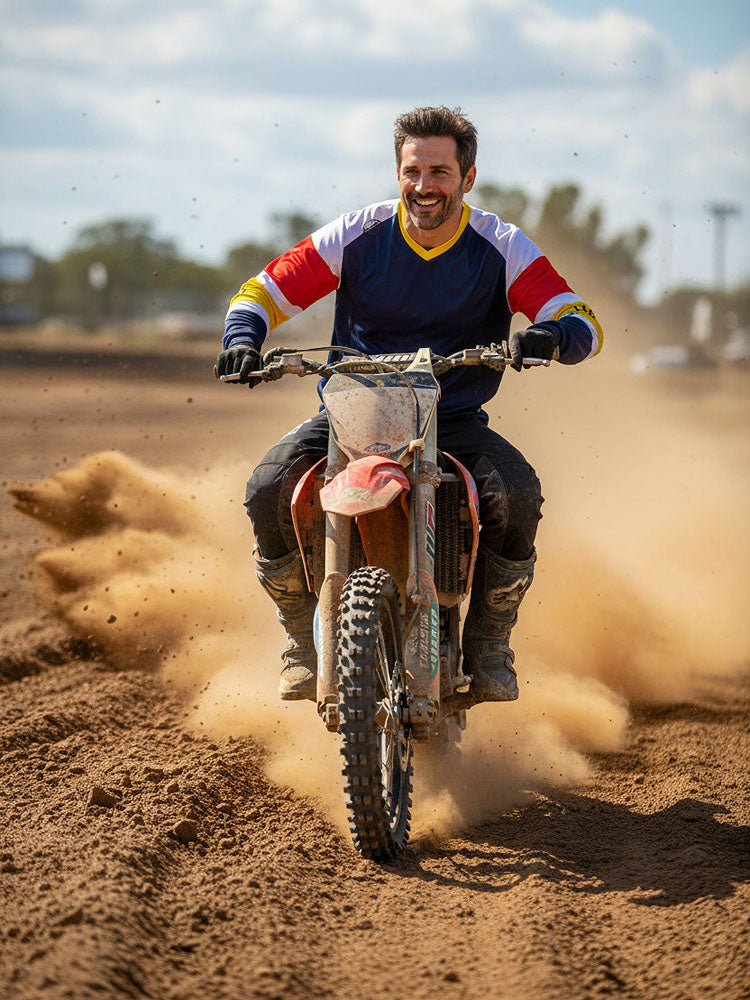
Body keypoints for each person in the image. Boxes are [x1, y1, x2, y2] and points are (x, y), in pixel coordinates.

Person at [216, 105, 603, 704]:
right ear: (398, 172)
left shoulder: (500, 245)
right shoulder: (358, 234)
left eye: (440, 172)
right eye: (412, 170)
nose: (424, 186)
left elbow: (580, 318)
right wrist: (242, 339)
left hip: (452, 418)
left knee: (518, 494)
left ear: (467, 178)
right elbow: (261, 291)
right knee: (267, 489)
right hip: (352, 414)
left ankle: (490, 644)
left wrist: (552, 335)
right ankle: (299, 640)